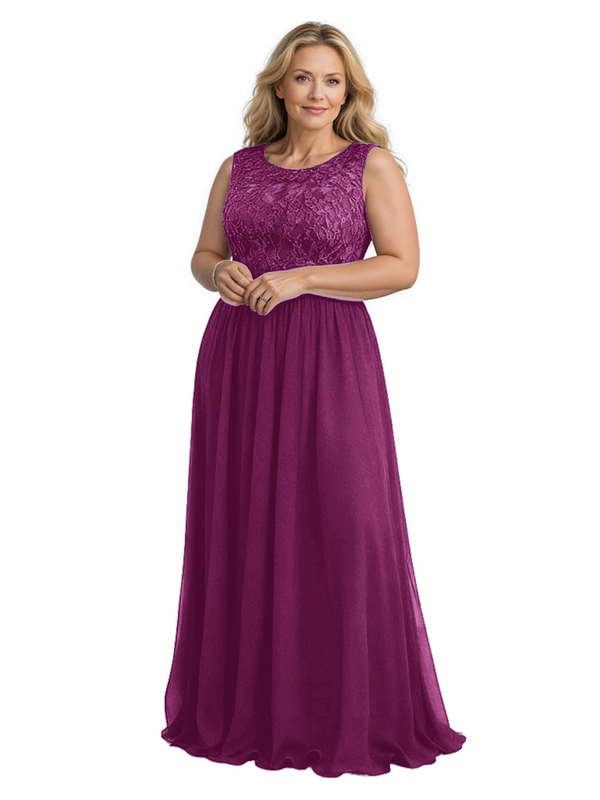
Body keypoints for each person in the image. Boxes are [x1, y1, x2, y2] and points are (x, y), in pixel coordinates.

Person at [161, 21, 466, 778]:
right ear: (280, 84)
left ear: (350, 90)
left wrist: (303, 278)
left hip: (330, 358)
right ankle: (253, 711)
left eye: (332, 80)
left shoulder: (370, 165)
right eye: (304, 78)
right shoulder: (238, 166)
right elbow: (202, 254)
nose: (317, 93)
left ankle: (351, 712)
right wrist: (219, 273)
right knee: (244, 522)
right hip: (240, 356)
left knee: (345, 524)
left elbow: (402, 266)